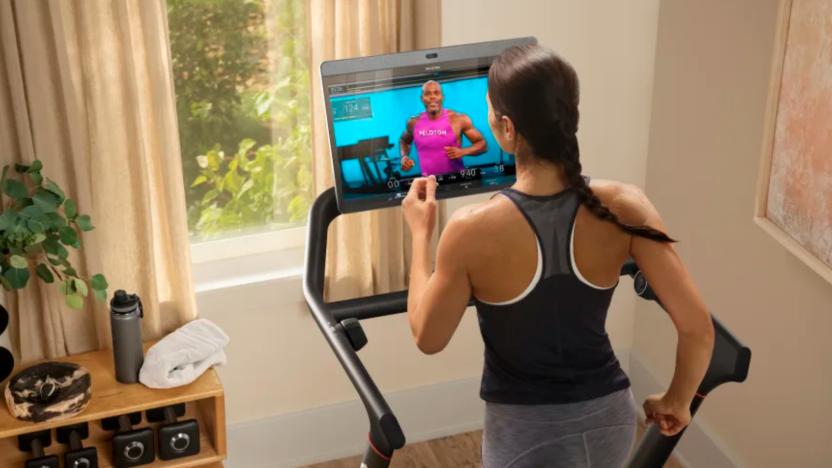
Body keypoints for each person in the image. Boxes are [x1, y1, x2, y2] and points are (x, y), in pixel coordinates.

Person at [402, 44, 715, 467]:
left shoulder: (470, 230)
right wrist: (677, 400)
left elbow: (428, 336)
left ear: (508, 129)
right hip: (609, 420)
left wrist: (421, 235)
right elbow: (697, 328)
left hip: (524, 435)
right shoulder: (626, 204)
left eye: (491, 112)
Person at [399, 80, 487, 176]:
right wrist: (404, 157)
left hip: (457, 182)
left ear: (442, 97)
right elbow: (404, 141)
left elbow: (483, 145)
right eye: (427, 94)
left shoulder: (459, 119)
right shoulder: (413, 123)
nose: (432, 97)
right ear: (422, 98)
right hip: (429, 184)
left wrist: (463, 151)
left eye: (436, 93)